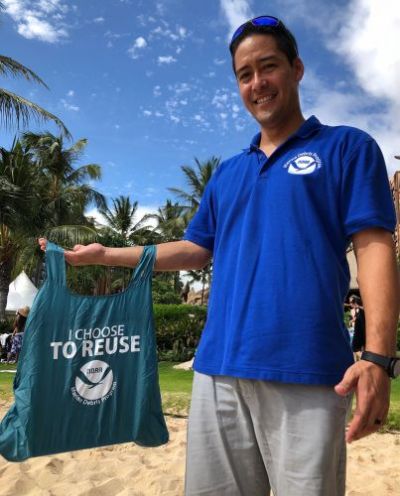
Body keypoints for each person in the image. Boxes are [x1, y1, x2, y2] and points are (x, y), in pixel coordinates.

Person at [39, 14, 400, 496]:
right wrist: (106, 254)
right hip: (217, 370)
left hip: (308, 372)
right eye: (244, 75)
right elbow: (192, 250)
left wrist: (378, 357)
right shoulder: (228, 173)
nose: (257, 83)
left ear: (297, 69)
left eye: (267, 67)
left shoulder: (346, 147)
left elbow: (374, 247)